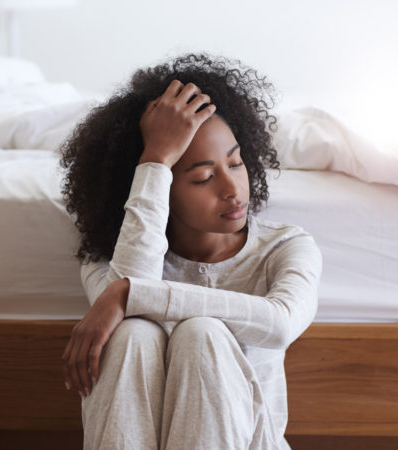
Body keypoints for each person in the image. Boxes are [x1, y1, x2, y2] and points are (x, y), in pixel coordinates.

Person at [59, 53, 322, 450]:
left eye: (235, 163)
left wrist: (131, 293)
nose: (232, 189)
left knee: (202, 332)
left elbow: (282, 323)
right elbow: (131, 287)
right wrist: (156, 158)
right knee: (130, 333)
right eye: (202, 177)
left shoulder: (285, 247)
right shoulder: (110, 261)